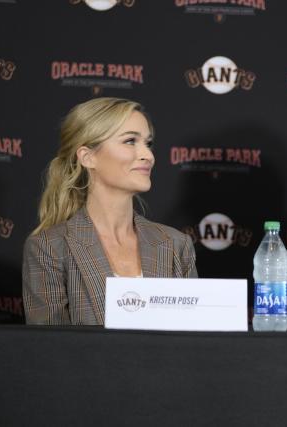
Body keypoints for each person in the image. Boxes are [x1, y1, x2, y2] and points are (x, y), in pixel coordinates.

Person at [22, 97, 198, 325]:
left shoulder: (176, 244)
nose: (148, 156)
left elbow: (194, 341)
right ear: (88, 157)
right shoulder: (49, 248)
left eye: (148, 143)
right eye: (130, 141)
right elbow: (48, 351)